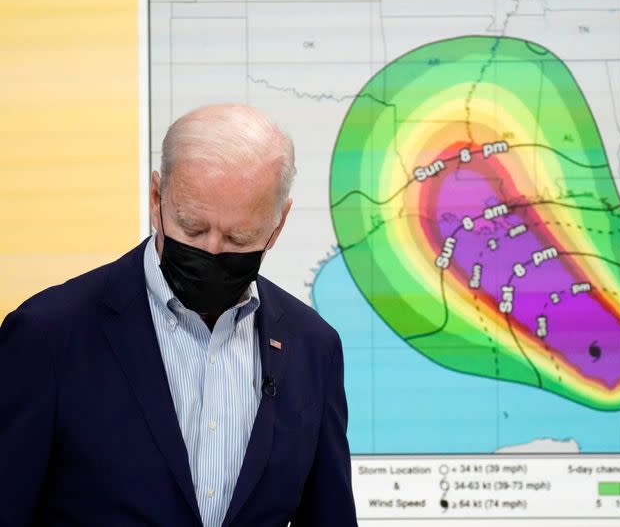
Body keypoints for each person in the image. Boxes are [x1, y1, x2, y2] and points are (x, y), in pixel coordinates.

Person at [0, 104, 358, 526]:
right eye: (191, 228)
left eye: (237, 237)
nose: (210, 251)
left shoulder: (313, 346)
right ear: (156, 199)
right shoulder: (48, 334)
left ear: (277, 226)